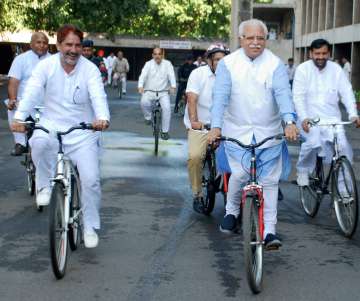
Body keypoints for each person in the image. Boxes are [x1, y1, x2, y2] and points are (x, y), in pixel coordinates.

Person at [11, 24, 110, 248]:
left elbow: (98, 96)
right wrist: (19, 118)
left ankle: (90, 226)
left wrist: (102, 117)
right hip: (51, 126)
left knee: (91, 180)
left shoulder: (90, 69)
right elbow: (32, 91)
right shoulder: (46, 66)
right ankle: (44, 186)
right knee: (37, 142)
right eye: (68, 45)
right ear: (58, 45)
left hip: (83, 130)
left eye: (77, 45)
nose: (73, 50)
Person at [207, 19, 298, 249]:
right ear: (241, 39)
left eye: (260, 38)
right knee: (238, 174)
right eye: (250, 38)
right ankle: (230, 212)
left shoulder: (275, 64)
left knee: (269, 183)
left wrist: (289, 121)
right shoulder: (227, 64)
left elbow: (283, 95)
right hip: (236, 128)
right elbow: (220, 98)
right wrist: (216, 127)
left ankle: (269, 232)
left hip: (269, 131)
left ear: (265, 40)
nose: (256, 43)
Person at [293, 39, 360, 187]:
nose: (321, 57)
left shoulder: (336, 69)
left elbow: (347, 93)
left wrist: (353, 114)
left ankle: (343, 193)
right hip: (309, 119)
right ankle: (303, 170)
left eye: (324, 53)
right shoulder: (303, 69)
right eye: (317, 53)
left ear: (329, 53)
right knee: (312, 142)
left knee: (344, 151)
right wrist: (304, 118)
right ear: (311, 53)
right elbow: (298, 97)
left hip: (332, 120)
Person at [185, 43, 229, 213]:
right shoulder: (198, 74)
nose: (220, 63)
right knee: (195, 157)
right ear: (209, 60)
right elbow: (192, 98)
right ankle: (197, 193)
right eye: (217, 59)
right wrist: (194, 121)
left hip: (225, 126)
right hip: (201, 125)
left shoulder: (232, 75)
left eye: (224, 59)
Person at [6, 32, 51, 156]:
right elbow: (13, 82)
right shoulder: (21, 59)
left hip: (44, 104)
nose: (42, 45)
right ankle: (21, 143)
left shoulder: (53, 61)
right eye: (38, 42)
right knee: (12, 107)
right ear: (31, 44)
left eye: (44, 43)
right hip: (23, 102)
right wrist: (13, 99)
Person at [138, 47, 176, 140]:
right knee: (143, 103)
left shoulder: (168, 64)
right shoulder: (148, 64)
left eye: (159, 54)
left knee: (167, 108)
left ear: (162, 55)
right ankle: (148, 117)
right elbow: (143, 75)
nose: (157, 56)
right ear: (152, 55)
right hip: (149, 91)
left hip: (163, 92)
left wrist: (173, 86)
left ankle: (164, 132)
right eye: (155, 54)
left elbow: (171, 75)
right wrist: (140, 86)